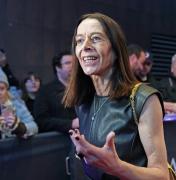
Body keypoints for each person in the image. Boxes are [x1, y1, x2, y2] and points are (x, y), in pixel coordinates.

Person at [63, 12, 168, 179]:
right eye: (80, 40)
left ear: (116, 48)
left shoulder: (143, 98)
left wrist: (117, 167)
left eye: (96, 38)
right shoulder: (83, 101)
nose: (86, 46)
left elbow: (161, 175)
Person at [34, 51, 78, 133]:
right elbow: (41, 121)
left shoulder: (82, 88)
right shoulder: (45, 91)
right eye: (68, 63)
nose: (73, 66)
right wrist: (70, 123)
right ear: (58, 67)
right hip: (60, 140)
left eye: (74, 63)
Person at [0, 68, 38, 139]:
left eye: (2, 88)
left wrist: (19, 127)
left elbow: (34, 127)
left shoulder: (16, 104)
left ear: (7, 90)